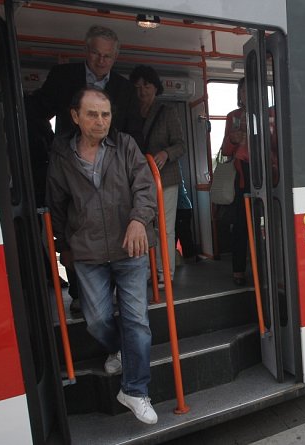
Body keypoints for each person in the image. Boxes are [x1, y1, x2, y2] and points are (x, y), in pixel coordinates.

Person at [46, 87, 158, 424]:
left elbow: (144, 187)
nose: (100, 121)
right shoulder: (62, 157)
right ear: (75, 117)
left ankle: (135, 390)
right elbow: (57, 205)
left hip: (130, 247)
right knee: (96, 320)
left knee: (137, 319)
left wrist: (139, 219)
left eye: (105, 114)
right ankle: (119, 347)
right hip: (87, 250)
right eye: (92, 114)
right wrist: (63, 246)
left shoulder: (125, 146)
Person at [27, 24, 143, 314]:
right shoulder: (62, 77)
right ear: (85, 51)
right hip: (71, 166)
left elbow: (133, 133)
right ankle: (81, 293)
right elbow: (36, 110)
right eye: (96, 53)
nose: (101, 61)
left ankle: (113, 297)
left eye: (107, 56)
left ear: (115, 58)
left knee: (114, 229)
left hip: (114, 170)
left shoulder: (125, 89)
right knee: (76, 227)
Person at [129, 65, 186, 288]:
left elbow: (181, 145)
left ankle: (165, 273)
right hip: (137, 180)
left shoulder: (167, 112)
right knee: (141, 224)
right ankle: (146, 271)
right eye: (138, 86)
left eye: (147, 85)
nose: (142, 91)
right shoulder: (129, 112)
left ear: (156, 88)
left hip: (166, 178)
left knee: (165, 227)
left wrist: (165, 153)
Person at [220, 78, 249, 286]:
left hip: (269, 174)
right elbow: (225, 151)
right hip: (242, 177)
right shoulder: (233, 117)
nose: (246, 95)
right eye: (243, 91)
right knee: (240, 226)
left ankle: (266, 266)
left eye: (250, 90)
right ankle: (239, 270)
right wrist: (233, 139)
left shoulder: (269, 114)